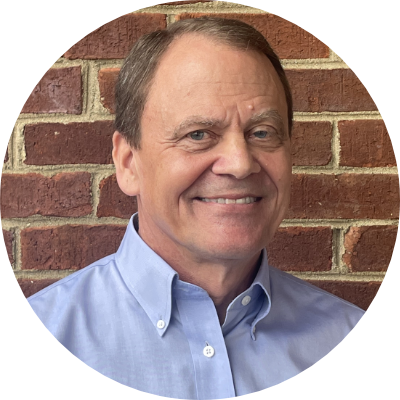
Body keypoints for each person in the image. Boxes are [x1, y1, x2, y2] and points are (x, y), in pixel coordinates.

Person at [27, 17, 365, 398]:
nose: (240, 163)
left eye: (262, 133)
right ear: (128, 163)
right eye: (199, 134)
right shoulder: (56, 329)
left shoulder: (341, 333)